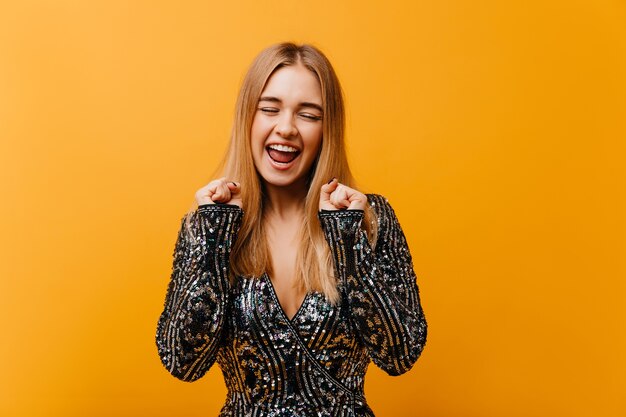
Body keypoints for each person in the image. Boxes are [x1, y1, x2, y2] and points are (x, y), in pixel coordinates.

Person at [155, 42, 427, 417]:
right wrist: (215, 235)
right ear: (247, 118)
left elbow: (400, 355)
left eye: (309, 115)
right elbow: (181, 362)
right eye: (269, 109)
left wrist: (348, 240)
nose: (286, 128)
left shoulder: (369, 218)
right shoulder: (209, 223)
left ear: (327, 128)